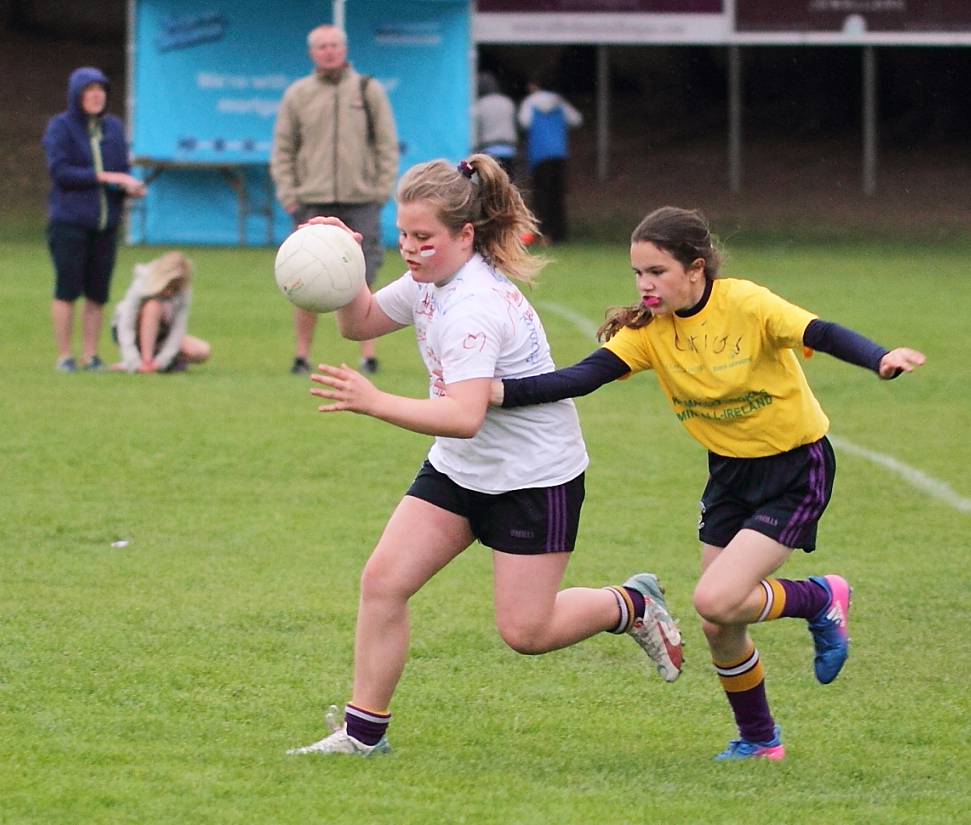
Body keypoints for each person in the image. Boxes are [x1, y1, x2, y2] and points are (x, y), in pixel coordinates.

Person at [494, 207, 927, 761]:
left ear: (696, 269)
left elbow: (818, 331)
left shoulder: (745, 303)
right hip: (729, 473)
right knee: (716, 621)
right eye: (637, 273)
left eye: (657, 271)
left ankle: (820, 597)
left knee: (717, 598)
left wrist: (879, 357)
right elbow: (582, 376)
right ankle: (759, 740)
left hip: (795, 467)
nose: (645, 285)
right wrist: (501, 392)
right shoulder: (649, 332)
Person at [287, 155, 685, 757]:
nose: (411, 250)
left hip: (535, 477)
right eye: (402, 236)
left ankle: (630, 604)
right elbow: (360, 321)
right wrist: (346, 270)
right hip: (460, 470)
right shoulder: (429, 281)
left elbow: (464, 415)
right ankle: (363, 735)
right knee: (383, 581)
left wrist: (373, 401)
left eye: (424, 238)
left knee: (526, 632)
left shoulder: (473, 306)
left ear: (464, 235)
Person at [270, 23, 400, 377]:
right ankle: (301, 355)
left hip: (361, 200)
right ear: (312, 53)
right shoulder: (298, 94)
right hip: (312, 199)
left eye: (334, 45)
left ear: (345, 49)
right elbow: (283, 148)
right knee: (303, 274)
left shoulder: (368, 89)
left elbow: (387, 144)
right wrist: (289, 194)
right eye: (322, 46)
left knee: (364, 274)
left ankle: (368, 355)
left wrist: (380, 190)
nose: (329, 51)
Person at [43, 66, 145, 372]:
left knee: (98, 292)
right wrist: (105, 176)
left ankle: (90, 355)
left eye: (101, 90)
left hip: (106, 224)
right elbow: (60, 172)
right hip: (69, 222)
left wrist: (128, 188)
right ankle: (64, 356)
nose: (96, 96)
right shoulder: (60, 127)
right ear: (76, 95)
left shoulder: (112, 128)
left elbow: (118, 171)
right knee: (67, 288)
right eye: (89, 90)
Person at [109, 251, 210, 374]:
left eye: (175, 289)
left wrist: (162, 361)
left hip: (161, 332)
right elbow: (126, 324)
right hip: (129, 330)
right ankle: (145, 361)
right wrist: (132, 359)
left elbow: (177, 329)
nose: (169, 293)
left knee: (201, 352)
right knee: (153, 306)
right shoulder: (143, 280)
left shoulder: (185, 290)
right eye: (168, 286)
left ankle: (154, 363)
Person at [517, 80, 582, 244]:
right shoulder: (559, 102)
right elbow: (577, 120)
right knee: (557, 194)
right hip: (559, 154)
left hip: (539, 154)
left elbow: (523, 122)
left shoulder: (529, 102)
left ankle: (542, 233)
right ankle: (559, 233)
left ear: (534, 86)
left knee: (541, 195)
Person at [472, 72, 519, 181]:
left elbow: (476, 130)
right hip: (509, 150)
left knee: (490, 186)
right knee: (508, 184)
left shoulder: (479, 105)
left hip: (488, 152)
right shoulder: (508, 102)